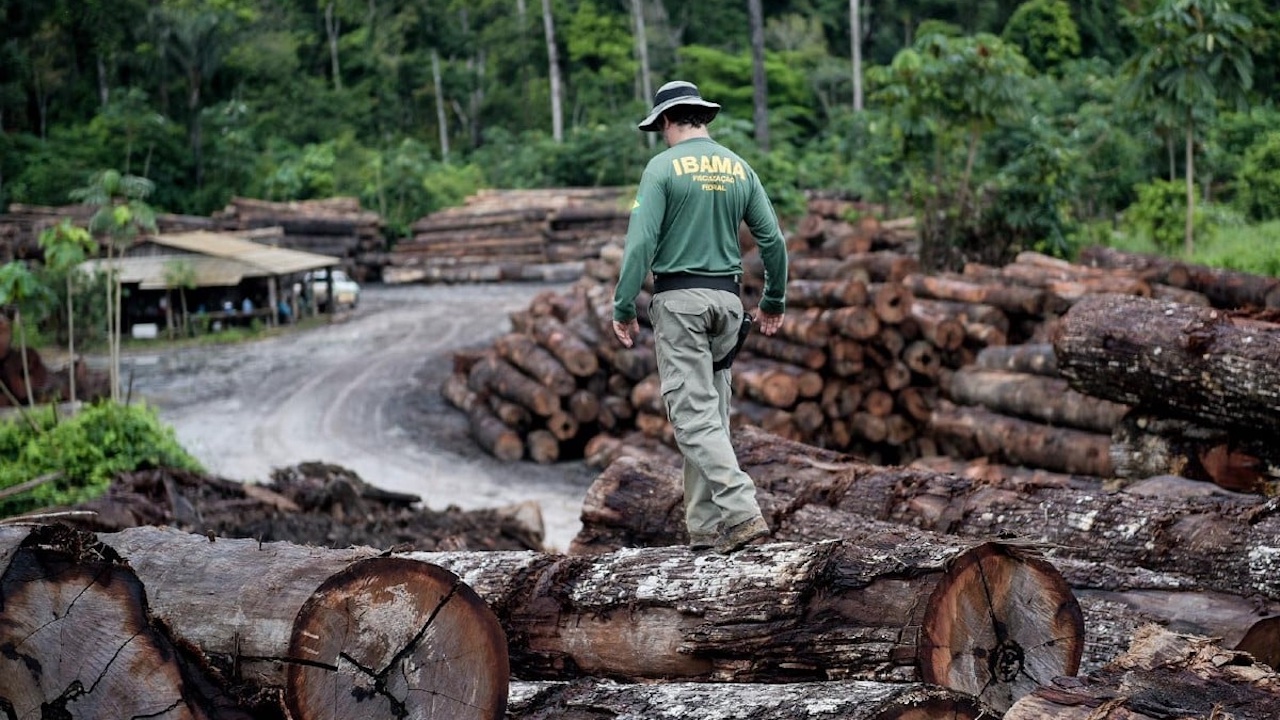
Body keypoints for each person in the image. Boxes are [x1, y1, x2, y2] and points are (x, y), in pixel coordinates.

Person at [612, 80, 788, 554]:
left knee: (691, 417)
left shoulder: (661, 168)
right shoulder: (738, 167)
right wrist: (773, 300)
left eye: (660, 128)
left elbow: (640, 245)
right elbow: (772, 241)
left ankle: (742, 510)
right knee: (709, 417)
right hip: (728, 305)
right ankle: (706, 531)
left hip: (680, 303)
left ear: (667, 121)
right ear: (702, 118)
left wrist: (624, 306)